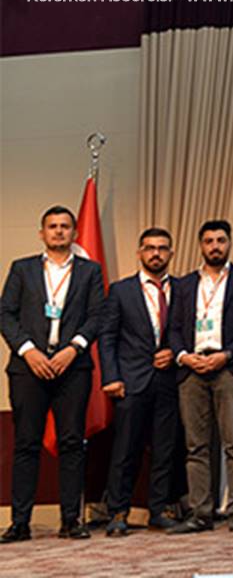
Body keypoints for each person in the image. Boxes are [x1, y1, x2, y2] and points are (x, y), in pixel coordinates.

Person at [0, 205, 105, 543]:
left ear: (75, 233)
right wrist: (28, 350)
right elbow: (5, 314)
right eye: (52, 226)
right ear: (42, 233)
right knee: (26, 444)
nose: (59, 231)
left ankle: (71, 520)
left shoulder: (90, 271)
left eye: (65, 226)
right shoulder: (22, 268)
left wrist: (73, 348)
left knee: (72, 443)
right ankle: (20, 523)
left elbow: (97, 316)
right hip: (28, 368)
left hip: (72, 367)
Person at [167, 220, 233, 533]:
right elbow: (174, 328)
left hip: (229, 368)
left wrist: (228, 355)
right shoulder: (184, 284)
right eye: (209, 241)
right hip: (192, 369)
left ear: (229, 243)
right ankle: (200, 513)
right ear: (201, 245)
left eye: (220, 240)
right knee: (196, 447)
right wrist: (183, 356)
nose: (215, 246)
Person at [100, 228, 182, 537]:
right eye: (149, 248)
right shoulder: (120, 290)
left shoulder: (184, 288)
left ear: (171, 253)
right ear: (139, 253)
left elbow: (190, 332)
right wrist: (112, 377)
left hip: (170, 381)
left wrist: (175, 352)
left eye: (162, 248)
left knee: (165, 450)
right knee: (126, 450)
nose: (156, 253)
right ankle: (118, 512)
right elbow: (107, 337)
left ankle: (158, 511)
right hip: (131, 382)